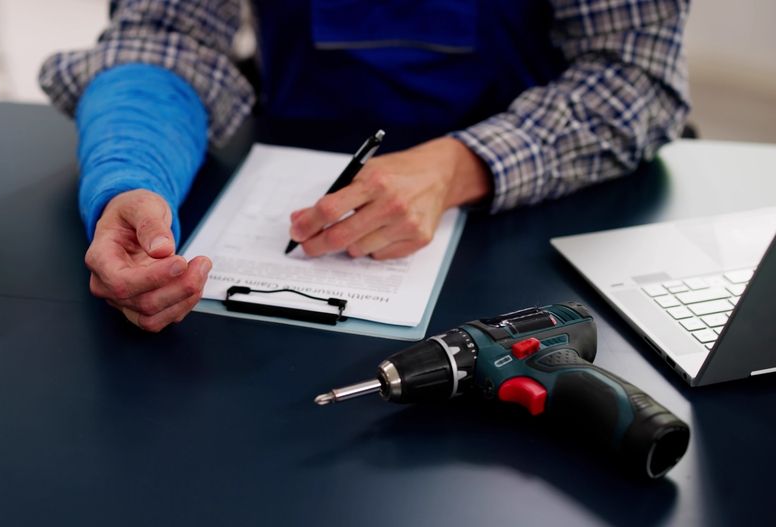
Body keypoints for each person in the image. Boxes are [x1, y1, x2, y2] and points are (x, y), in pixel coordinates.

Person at [39, 0, 689, 332]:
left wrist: (457, 166)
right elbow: (162, 37)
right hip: (295, 179)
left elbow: (634, 77)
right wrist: (130, 174)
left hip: (536, 224)